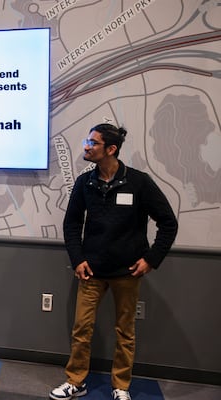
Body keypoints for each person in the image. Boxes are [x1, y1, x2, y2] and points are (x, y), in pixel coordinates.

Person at [49, 123, 178, 400]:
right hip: (91, 270)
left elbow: (168, 223)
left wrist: (151, 259)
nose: (86, 146)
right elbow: (71, 224)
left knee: (125, 332)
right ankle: (76, 381)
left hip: (127, 272)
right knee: (82, 329)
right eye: (87, 141)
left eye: (93, 143)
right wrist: (78, 259)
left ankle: (121, 387)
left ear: (111, 149)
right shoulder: (85, 183)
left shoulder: (139, 182)